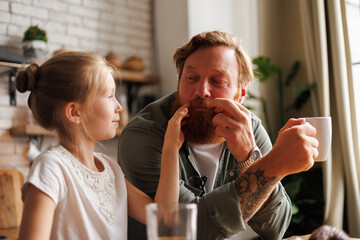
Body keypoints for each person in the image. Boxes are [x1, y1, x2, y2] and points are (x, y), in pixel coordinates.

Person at [118, 31, 319, 240]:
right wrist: (273, 164)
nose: (202, 90)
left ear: (240, 93)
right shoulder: (143, 135)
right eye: (191, 78)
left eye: (218, 81)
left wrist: (248, 157)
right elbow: (189, 231)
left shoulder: (250, 129)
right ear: (179, 82)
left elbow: (275, 227)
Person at [16, 51, 187, 239]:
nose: (119, 107)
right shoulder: (52, 167)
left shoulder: (112, 170)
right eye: (110, 96)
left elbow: (164, 217)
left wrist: (171, 148)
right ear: (75, 112)